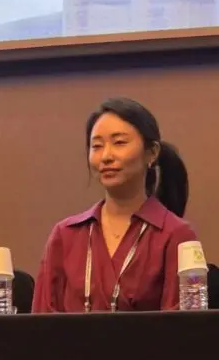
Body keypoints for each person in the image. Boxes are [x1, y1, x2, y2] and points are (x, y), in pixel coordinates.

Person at [32, 97, 198, 312]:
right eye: (97, 146)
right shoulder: (66, 235)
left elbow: (182, 326)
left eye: (119, 143)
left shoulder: (175, 235)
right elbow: (41, 322)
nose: (106, 156)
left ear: (152, 152)